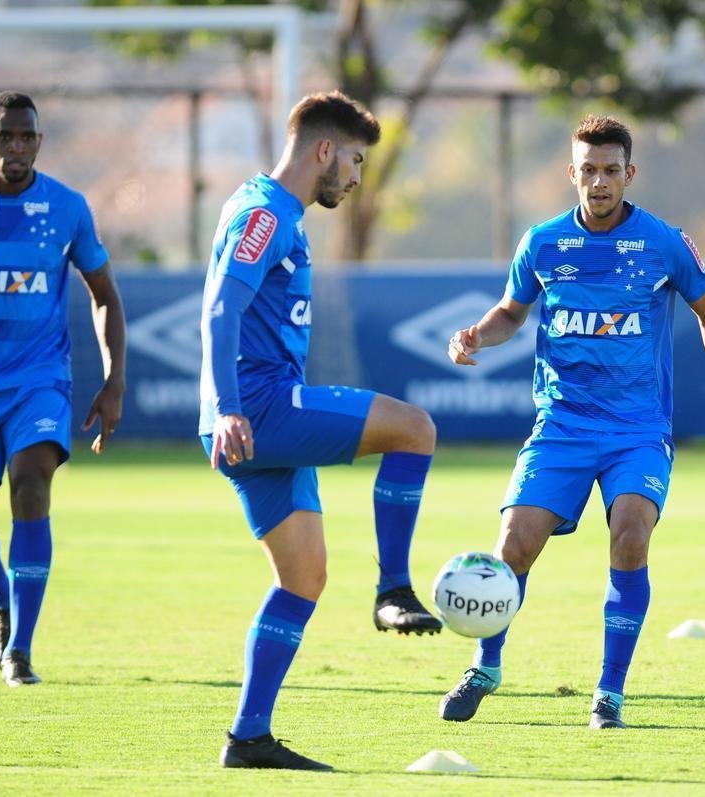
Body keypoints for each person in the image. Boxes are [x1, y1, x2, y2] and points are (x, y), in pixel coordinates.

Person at [440, 114, 705, 730]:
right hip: (561, 427)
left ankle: (609, 693)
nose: (599, 182)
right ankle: (486, 665)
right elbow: (511, 312)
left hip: (636, 431)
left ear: (629, 173)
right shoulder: (543, 242)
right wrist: (479, 334)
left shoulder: (663, 241)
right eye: (588, 171)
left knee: (631, 534)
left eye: (611, 171)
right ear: (571, 174)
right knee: (512, 549)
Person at [200, 90, 441, 771]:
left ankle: (248, 737)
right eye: (356, 160)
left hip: (253, 417)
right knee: (414, 428)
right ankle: (393, 588)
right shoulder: (264, 213)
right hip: (261, 408)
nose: (358, 177)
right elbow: (220, 309)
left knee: (303, 579)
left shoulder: (277, 211)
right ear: (324, 150)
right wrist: (227, 406)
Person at [0, 91, 126, 687]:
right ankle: (4, 601)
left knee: (30, 482)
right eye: (5, 137)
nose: (16, 147)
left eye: (27, 137)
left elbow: (103, 296)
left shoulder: (67, 208)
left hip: (39, 379)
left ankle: (20, 649)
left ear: (38, 143)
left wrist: (113, 379)